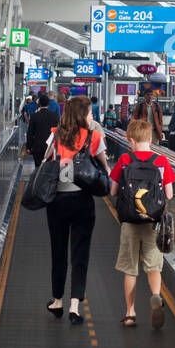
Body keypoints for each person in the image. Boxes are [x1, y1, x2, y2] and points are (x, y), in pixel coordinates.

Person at [42, 96, 110, 325]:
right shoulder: (94, 137)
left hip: (58, 201)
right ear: (82, 114)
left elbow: (45, 161)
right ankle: (75, 306)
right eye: (90, 113)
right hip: (82, 201)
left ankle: (57, 301)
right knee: (80, 253)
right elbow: (105, 168)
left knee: (57, 252)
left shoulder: (56, 135)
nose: (92, 116)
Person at [109, 118, 175, 329]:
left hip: (129, 221)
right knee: (153, 266)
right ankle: (156, 296)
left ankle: (130, 313)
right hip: (153, 222)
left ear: (131, 140)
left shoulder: (125, 160)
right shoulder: (161, 161)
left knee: (130, 268)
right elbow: (170, 194)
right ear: (150, 138)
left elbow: (112, 191)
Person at [25, 94, 61, 168]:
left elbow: (30, 133)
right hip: (50, 146)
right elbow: (58, 131)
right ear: (48, 104)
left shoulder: (34, 116)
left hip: (37, 147)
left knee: (38, 167)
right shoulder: (55, 116)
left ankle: (38, 179)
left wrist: (28, 147)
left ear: (39, 104)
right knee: (49, 168)